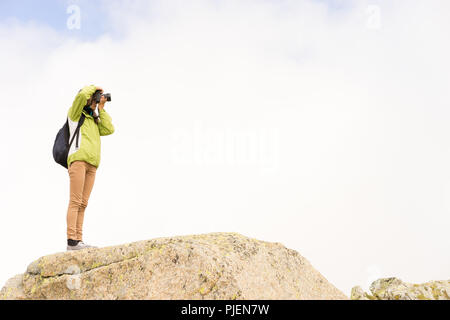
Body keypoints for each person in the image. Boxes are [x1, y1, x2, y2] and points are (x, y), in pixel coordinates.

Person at [66, 85, 115, 251]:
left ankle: (78, 240)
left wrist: (101, 108)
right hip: (78, 161)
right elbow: (80, 97)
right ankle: (71, 240)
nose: (95, 100)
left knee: (83, 203)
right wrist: (94, 88)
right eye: (95, 98)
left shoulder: (94, 119)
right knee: (75, 201)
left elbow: (109, 129)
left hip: (92, 165)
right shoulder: (75, 114)